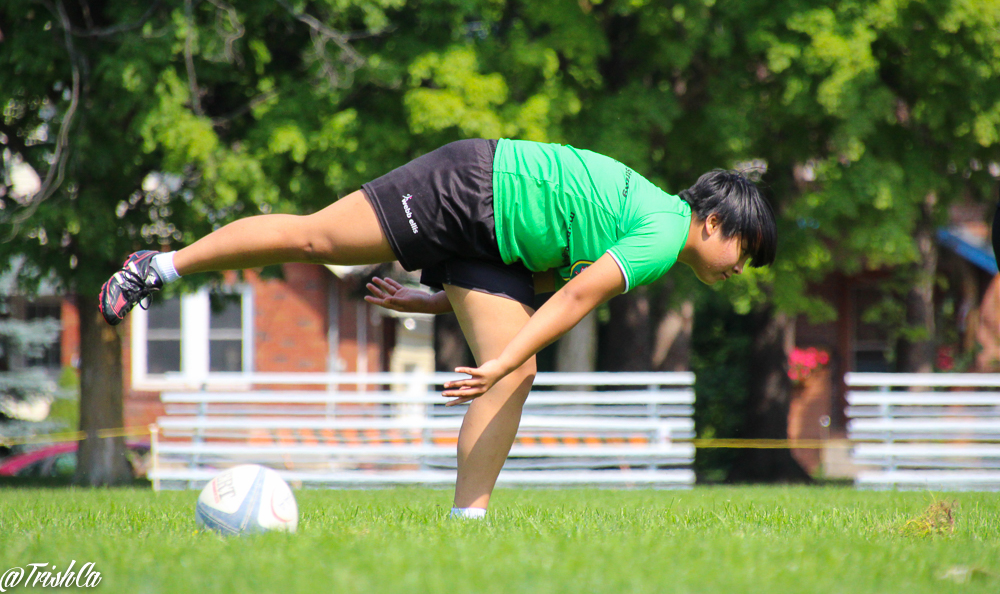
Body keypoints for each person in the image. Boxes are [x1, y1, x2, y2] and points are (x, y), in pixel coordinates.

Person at [100, 138, 776, 518]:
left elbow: (544, 278)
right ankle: (156, 265)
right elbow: (570, 300)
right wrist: (496, 357)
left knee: (518, 371)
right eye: (745, 251)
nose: (742, 269)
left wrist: (431, 306)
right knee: (318, 239)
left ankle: (465, 526)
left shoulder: (657, 233)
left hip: (500, 240)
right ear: (714, 223)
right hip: (470, 187)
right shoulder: (662, 234)